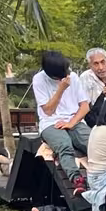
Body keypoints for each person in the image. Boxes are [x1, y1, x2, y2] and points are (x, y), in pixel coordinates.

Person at [31, 50, 90, 187]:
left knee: (92, 142)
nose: (66, 76)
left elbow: (85, 106)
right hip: (50, 122)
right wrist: (61, 89)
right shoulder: (39, 80)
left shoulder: (73, 76)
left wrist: (71, 123)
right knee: (64, 145)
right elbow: (48, 110)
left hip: (74, 119)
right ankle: (77, 180)